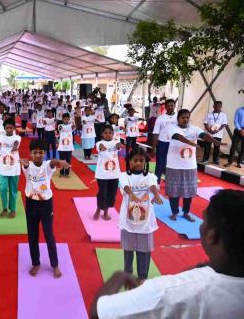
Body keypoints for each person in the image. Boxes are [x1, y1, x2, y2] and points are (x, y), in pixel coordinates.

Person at [91, 189, 244, 319]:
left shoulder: (167, 292)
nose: (201, 225)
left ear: (212, 236)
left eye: (203, 221)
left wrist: (120, 276)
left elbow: (98, 312)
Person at [20, 139, 69, 278]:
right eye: (35, 152)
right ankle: (36, 263)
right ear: (30, 153)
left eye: (40, 152)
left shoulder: (47, 165)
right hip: (31, 203)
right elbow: (25, 166)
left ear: (45, 153)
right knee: (32, 235)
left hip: (46, 204)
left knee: (49, 235)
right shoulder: (27, 165)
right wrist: (24, 163)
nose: (38, 155)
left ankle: (55, 265)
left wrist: (58, 162)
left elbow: (52, 163)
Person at [166, 109, 225, 222]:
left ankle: (186, 212)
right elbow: (177, 136)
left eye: (187, 117)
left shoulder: (194, 129)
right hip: (174, 165)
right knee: (174, 191)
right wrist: (189, 142)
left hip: (190, 166)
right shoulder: (172, 128)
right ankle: (174, 212)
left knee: (189, 191)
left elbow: (204, 135)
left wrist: (216, 142)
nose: (185, 119)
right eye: (183, 117)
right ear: (178, 118)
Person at [119, 147, 162, 281]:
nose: (138, 163)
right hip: (128, 221)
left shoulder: (151, 176)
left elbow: (153, 186)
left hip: (146, 222)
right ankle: (128, 273)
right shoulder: (124, 175)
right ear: (130, 162)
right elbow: (125, 186)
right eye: (135, 160)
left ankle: (142, 277)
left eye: (141, 161)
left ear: (146, 162)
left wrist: (156, 195)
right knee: (128, 250)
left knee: (144, 252)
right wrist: (131, 194)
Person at [94, 125, 122, 221]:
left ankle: (106, 211)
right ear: (102, 134)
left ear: (113, 134)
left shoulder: (116, 142)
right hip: (102, 174)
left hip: (114, 174)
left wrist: (118, 145)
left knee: (112, 194)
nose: (108, 134)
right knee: (102, 193)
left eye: (110, 133)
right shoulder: (99, 143)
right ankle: (98, 208)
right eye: (105, 133)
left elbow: (119, 146)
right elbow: (99, 147)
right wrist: (102, 147)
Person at [0, 119, 21, 219]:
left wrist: (14, 147)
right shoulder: (1, 137)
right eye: (7, 128)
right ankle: (5, 208)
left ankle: (13, 209)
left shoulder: (17, 136)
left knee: (13, 189)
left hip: (14, 167)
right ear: (4, 129)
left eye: (11, 128)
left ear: (14, 128)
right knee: (3, 188)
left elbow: (16, 142)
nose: (9, 129)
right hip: (3, 167)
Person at [151, 99, 177, 183]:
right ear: (165, 107)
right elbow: (155, 133)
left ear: (174, 106)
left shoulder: (178, 118)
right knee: (160, 164)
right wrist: (153, 148)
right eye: (168, 105)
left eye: (171, 105)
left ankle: (170, 181)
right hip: (162, 143)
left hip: (174, 144)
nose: (170, 107)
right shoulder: (160, 118)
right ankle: (156, 182)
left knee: (172, 164)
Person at [57, 113, 74, 177]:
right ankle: (61, 173)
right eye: (65, 119)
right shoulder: (60, 125)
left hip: (69, 147)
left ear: (69, 119)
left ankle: (67, 173)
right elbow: (59, 129)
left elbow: (74, 127)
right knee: (61, 160)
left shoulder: (71, 125)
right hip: (61, 147)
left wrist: (73, 125)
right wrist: (61, 128)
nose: (66, 120)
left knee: (68, 161)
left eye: (67, 119)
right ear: (62, 119)